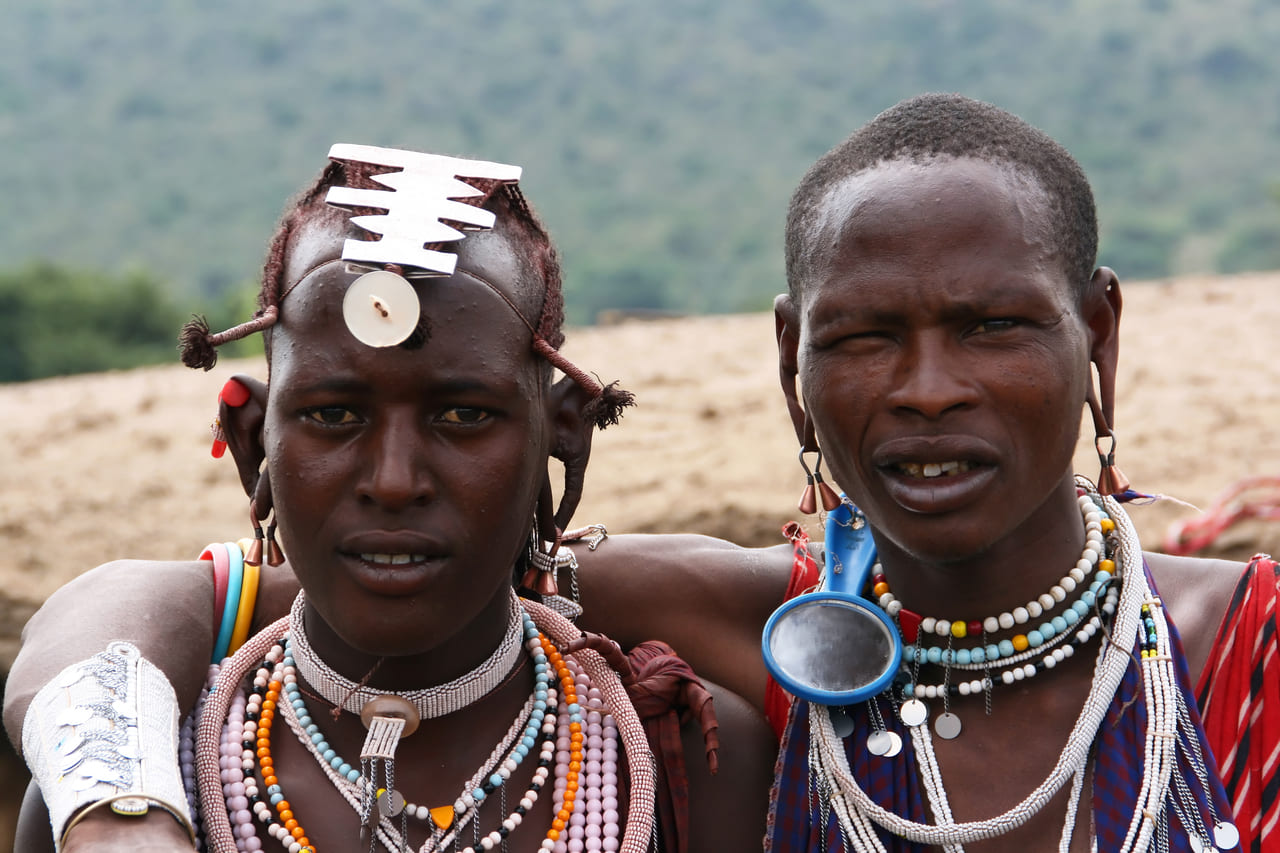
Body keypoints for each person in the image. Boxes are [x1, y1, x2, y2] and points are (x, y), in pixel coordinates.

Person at [8, 96, 1277, 851]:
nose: (925, 387)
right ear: (790, 359)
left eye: (993, 326)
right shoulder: (734, 629)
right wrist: (121, 806)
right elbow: (147, 602)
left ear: (1095, 334)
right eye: (861, 336)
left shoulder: (1242, 658)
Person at [6, 144, 775, 852]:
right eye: (334, 415)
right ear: (253, 446)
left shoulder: (692, 763)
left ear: (563, 440)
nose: (395, 479)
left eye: (463, 414)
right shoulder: (133, 788)